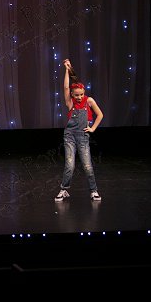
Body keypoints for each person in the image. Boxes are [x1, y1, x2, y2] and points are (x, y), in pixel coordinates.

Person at [55, 59, 103, 202]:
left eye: (81, 94)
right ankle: (64, 189)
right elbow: (65, 87)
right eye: (76, 95)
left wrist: (92, 128)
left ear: (84, 92)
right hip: (70, 136)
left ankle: (94, 190)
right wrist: (67, 70)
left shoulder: (89, 101)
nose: (79, 97)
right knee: (70, 164)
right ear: (72, 94)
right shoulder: (70, 103)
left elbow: (100, 115)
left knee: (87, 165)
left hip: (83, 136)